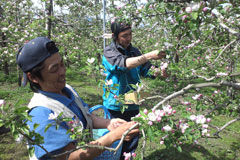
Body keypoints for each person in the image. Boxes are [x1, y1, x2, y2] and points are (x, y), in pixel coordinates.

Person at [16, 37, 139, 160]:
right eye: (54, 69)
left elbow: (86, 116)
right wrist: (113, 136)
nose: (63, 71)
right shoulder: (40, 114)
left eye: (62, 64)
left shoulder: (67, 90)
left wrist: (109, 123)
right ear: (33, 77)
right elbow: (69, 156)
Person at [102, 19, 166, 159]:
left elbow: (146, 69)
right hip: (115, 102)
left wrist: (159, 72)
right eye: (125, 35)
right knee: (115, 139)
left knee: (132, 138)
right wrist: (148, 55)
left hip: (132, 100)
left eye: (130, 34)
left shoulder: (134, 51)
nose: (128, 38)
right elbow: (123, 65)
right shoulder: (109, 52)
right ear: (115, 36)